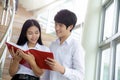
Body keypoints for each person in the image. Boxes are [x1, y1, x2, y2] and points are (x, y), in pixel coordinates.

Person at [42, 9, 85, 80]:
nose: (56, 28)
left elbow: (80, 76)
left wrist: (62, 69)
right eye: (55, 24)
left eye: (60, 25)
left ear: (70, 27)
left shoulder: (76, 46)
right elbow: (48, 72)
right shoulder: (53, 45)